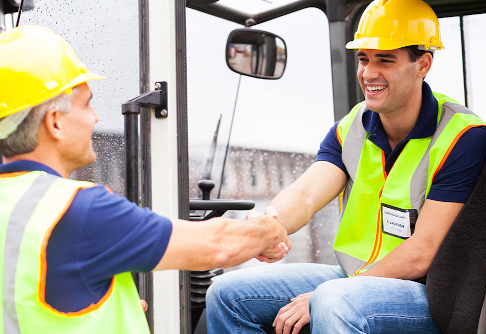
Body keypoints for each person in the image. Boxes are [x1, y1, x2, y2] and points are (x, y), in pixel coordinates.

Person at [206, 0, 486, 333]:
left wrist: (325, 294)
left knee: (334, 301)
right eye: (363, 59)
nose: (369, 73)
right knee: (227, 294)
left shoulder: (463, 137)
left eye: (385, 60)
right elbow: (304, 196)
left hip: (431, 293)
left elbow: (423, 252)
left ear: (423, 64)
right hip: (354, 277)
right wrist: (266, 227)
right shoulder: (351, 128)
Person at [0, 25, 291, 333]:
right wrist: (269, 229)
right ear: (55, 122)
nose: (96, 117)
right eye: (87, 104)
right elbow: (216, 245)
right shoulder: (79, 208)